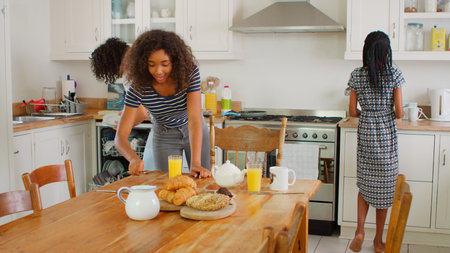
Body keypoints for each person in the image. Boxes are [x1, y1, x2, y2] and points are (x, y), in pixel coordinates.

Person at [116, 29, 211, 178]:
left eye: (164, 64)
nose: (158, 71)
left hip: (193, 129)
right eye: (151, 64)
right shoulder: (138, 86)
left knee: (201, 180)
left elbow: (194, 120)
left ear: (175, 60)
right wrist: (133, 158)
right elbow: (120, 136)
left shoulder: (189, 73)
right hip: (164, 134)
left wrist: (196, 162)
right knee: (168, 184)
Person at [347, 31, 405, 253]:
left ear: (366, 50)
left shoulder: (356, 75)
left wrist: (368, 113)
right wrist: (386, 111)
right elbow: (399, 112)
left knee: (365, 184)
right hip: (386, 135)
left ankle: (359, 231)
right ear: (386, 51)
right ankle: (378, 241)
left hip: (366, 134)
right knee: (385, 189)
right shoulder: (394, 74)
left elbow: (352, 111)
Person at [90, 37, 155, 171]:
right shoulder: (143, 60)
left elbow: (141, 113)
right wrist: (126, 117)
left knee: (153, 171)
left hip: (164, 127)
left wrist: (123, 124)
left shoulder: (130, 76)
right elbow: (140, 110)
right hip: (166, 125)